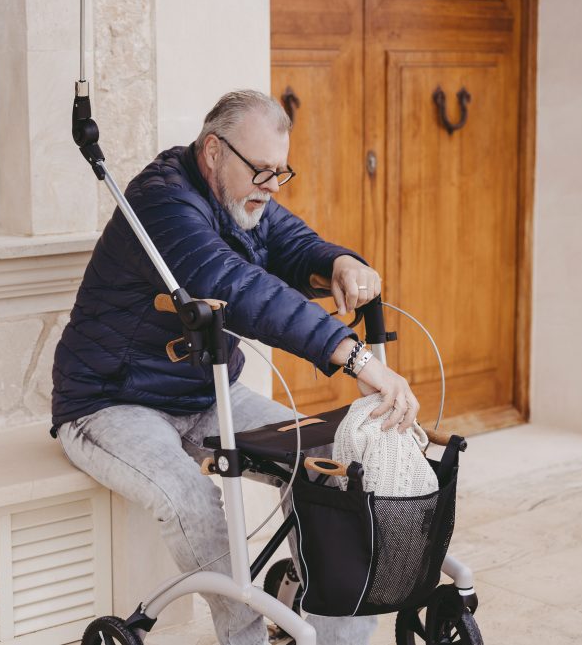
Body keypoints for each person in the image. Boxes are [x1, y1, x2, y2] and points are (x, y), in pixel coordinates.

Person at [51, 90, 420, 644]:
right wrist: (357, 358)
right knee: (190, 495)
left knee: (323, 458)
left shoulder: (240, 195)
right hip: (108, 401)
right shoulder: (161, 204)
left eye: (281, 173)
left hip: (203, 394)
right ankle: (244, 639)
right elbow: (240, 288)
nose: (271, 188)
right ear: (213, 150)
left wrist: (337, 261)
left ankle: (337, 638)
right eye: (262, 172)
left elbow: (293, 245)